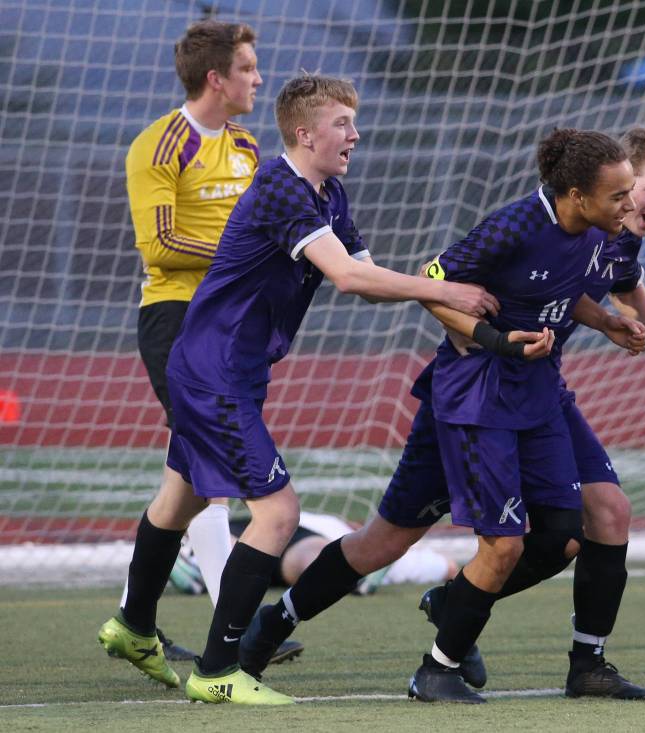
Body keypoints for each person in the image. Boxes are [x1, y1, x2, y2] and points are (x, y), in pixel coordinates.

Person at [97, 74, 497, 706]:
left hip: (227, 371)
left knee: (181, 502)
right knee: (279, 512)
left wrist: (465, 321)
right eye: (342, 124)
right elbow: (347, 279)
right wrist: (446, 290)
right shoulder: (284, 191)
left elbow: (367, 270)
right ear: (304, 132)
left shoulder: (327, 193)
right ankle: (218, 670)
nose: (355, 135)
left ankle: (131, 624)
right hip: (214, 373)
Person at [237, 129, 645, 704]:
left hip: (534, 396)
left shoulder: (592, 231)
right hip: (476, 401)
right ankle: (422, 667)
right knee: (458, 545)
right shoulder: (513, 227)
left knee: (563, 534)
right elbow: (433, 288)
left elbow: (558, 285)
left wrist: (606, 323)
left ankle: (451, 611)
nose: (630, 205)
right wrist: (495, 340)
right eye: (620, 195)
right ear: (578, 196)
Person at [121, 19, 269, 662]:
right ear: (217, 78)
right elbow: (160, 244)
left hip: (233, 327)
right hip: (177, 321)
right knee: (209, 470)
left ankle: (132, 624)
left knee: (189, 479)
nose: (258, 78)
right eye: (247, 68)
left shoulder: (247, 146)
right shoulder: (160, 144)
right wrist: (243, 258)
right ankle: (225, 632)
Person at [169, 510, 458, 595]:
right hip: (303, 542)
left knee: (226, 542)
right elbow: (449, 568)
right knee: (314, 561)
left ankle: (190, 558)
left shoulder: (337, 526)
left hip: (271, 527)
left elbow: (447, 568)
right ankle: (353, 576)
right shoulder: (398, 556)